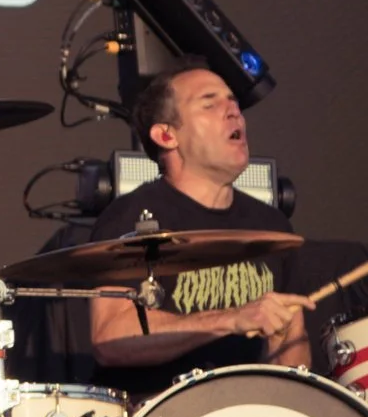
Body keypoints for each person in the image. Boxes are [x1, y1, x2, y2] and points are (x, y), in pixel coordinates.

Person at [84, 62, 313, 395]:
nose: (234, 112)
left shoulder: (271, 226)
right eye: (211, 103)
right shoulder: (132, 218)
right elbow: (111, 338)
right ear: (167, 135)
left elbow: (292, 347)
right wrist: (232, 319)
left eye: (233, 101)